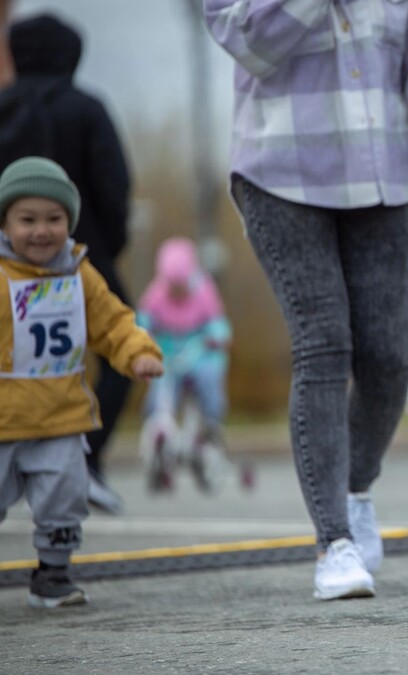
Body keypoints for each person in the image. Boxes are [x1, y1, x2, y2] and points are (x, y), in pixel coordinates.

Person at [204, 0, 408, 600]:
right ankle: (334, 542)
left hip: (384, 178)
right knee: (323, 344)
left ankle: (353, 490)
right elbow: (247, 41)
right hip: (280, 176)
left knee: (387, 359)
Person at [0, 157, 163, 607]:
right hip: (3, 418)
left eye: (54, 219)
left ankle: (53, 573)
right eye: (27, 219)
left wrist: (140, 352)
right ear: (6, 222)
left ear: (69, 222)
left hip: (61, 416)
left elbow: (114, 322)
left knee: (64, 499)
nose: (41, 231)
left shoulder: (78, 274)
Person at [9, 13, 135, 515]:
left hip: (4, 264)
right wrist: (108, 246)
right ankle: (85, 459)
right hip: (83, 255)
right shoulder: (86, 109)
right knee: (120, 352)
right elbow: (115, 184)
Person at [136, 237, 232, 493]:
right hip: (169, 358)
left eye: (180, 284)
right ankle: (158, 435)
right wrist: (141, 335)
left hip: (199, 354)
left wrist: (216, 335)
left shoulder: (204, 291)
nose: (177, 289)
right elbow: (143, 320)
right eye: (172, 284)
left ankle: (210, 428)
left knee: (209, 380)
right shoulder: (156, 294)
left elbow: (218, 322)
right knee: (159, 393)